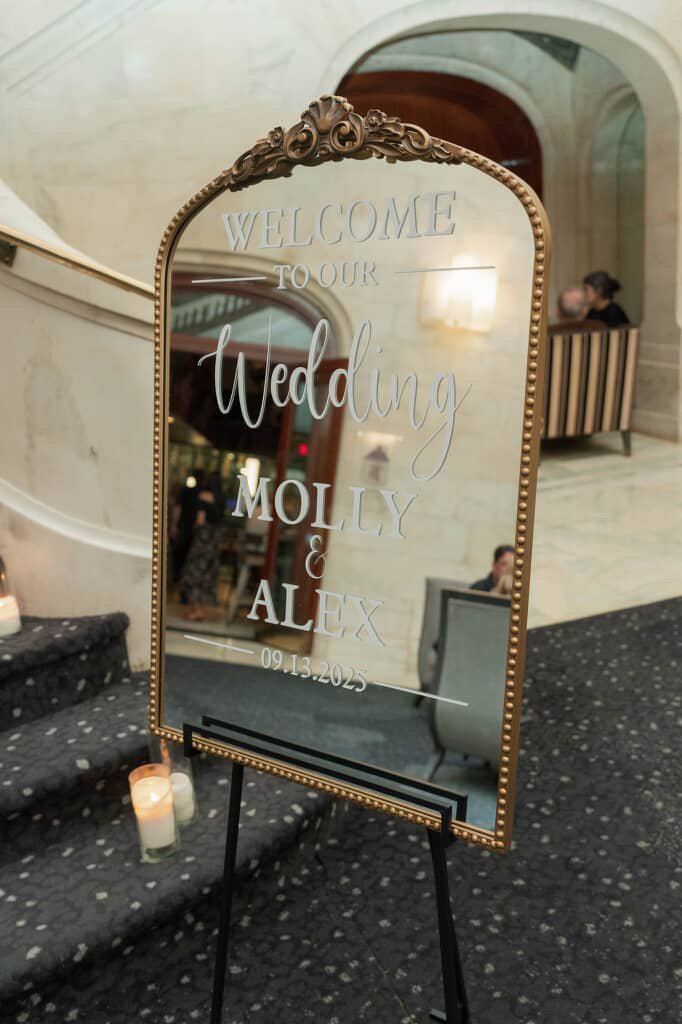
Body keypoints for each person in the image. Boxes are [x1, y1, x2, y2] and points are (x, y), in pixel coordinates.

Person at [180, 472, 224, 621]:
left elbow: (200, 520)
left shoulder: (203, 496)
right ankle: (201, 610)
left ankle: (196, 609)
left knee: (194, 574)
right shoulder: (221, 500)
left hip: (202, 542)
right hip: (214, 544)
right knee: (207, 576)